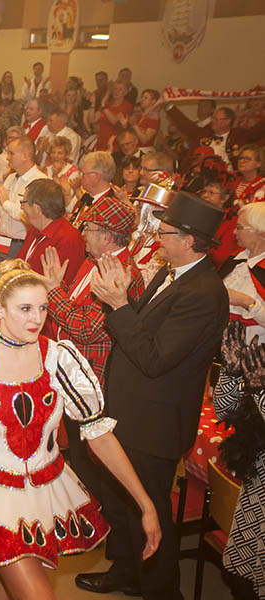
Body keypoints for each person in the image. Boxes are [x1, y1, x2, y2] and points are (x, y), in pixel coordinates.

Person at [0, 259, 160, 600]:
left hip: (47, 495)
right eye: (24, 308)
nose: (36, 318)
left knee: (4, 586)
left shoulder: (59, 359)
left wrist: (147, 505)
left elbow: (100, 435)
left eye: (42, 308)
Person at [78, 191, 229, 598]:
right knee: (126, 505)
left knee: (149, 511)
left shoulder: (203, 293)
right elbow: (142, 333)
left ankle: (162, 591)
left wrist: (117, 304)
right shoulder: (173, 272)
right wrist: (123, 301)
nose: (155, 240)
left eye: (163, 234)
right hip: (132, 411)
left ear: (188, 240)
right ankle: (127, 572)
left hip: (154, 422)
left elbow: (155, 358)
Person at [40, 196, 145, 500]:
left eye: (88, 229)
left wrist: (53, 290)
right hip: (77, 373)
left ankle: (107, 526)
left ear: (107, 236)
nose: (82, 234)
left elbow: (86, 328)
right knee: (80, 454)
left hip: (95, 380)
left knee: (93, 460)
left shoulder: (122, 273)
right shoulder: (91, 262)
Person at [213, 323, 265, 599]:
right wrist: (231, 374)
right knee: (244, 581)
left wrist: (260, 393)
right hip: (256, 493)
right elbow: (225, 411)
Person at [0, 136, 49, 258]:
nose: (7, 157)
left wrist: (6, 203)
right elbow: (1, 208)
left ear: (25, 156)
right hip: (3, 241)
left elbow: (29, 216)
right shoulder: (11, 178)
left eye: (11, 153)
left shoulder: (40, 181)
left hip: (21, 244)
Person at [17, 178, 85, 286]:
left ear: (37, 208)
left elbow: (62, 287)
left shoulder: (69, 239)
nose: (21, 206)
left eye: (23, 202)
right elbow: (20, 265)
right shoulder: (35, 229)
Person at [220, 202, 265, 344]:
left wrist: (247, 302)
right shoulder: (235, 260)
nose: (234, 232)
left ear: (261, 233)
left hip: (251, 352)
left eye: (240, 228)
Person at [71, 151, 117, 225]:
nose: (80, 177)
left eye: (83, 174)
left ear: (96, 176)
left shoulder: (111, 207)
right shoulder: (86, 198)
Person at [95, 81, 132, 152]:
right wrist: (92, 104)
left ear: (125, 92)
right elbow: (92, 119)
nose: (117, 91)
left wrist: (103, 106)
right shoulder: (107, 104)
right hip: (100, 144)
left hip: (114, 146)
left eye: (120, 89)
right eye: (115, 89)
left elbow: (113, 121)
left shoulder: (126, 105)